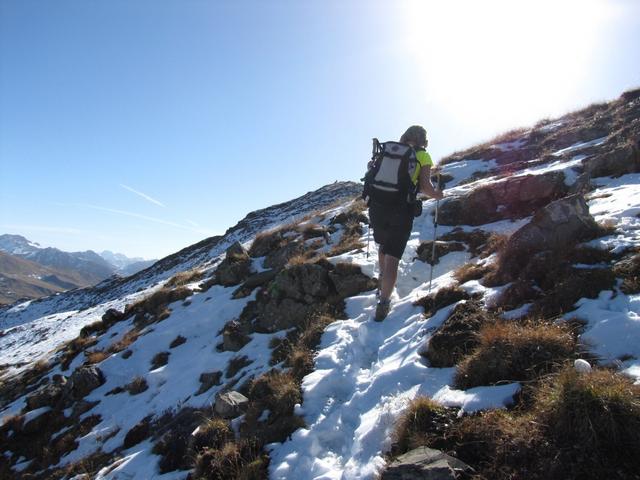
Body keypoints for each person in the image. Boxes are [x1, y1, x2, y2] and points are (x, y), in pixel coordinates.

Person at [369, 125, 444, 321]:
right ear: (423, 140)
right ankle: (384, 303)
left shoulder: (390, 151)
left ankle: (381, 280)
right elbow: (425, 187)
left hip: (377, 207)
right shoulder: (423, 156)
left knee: (383, 246)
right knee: (393, 257)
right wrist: (438, 194)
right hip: (401, 210)